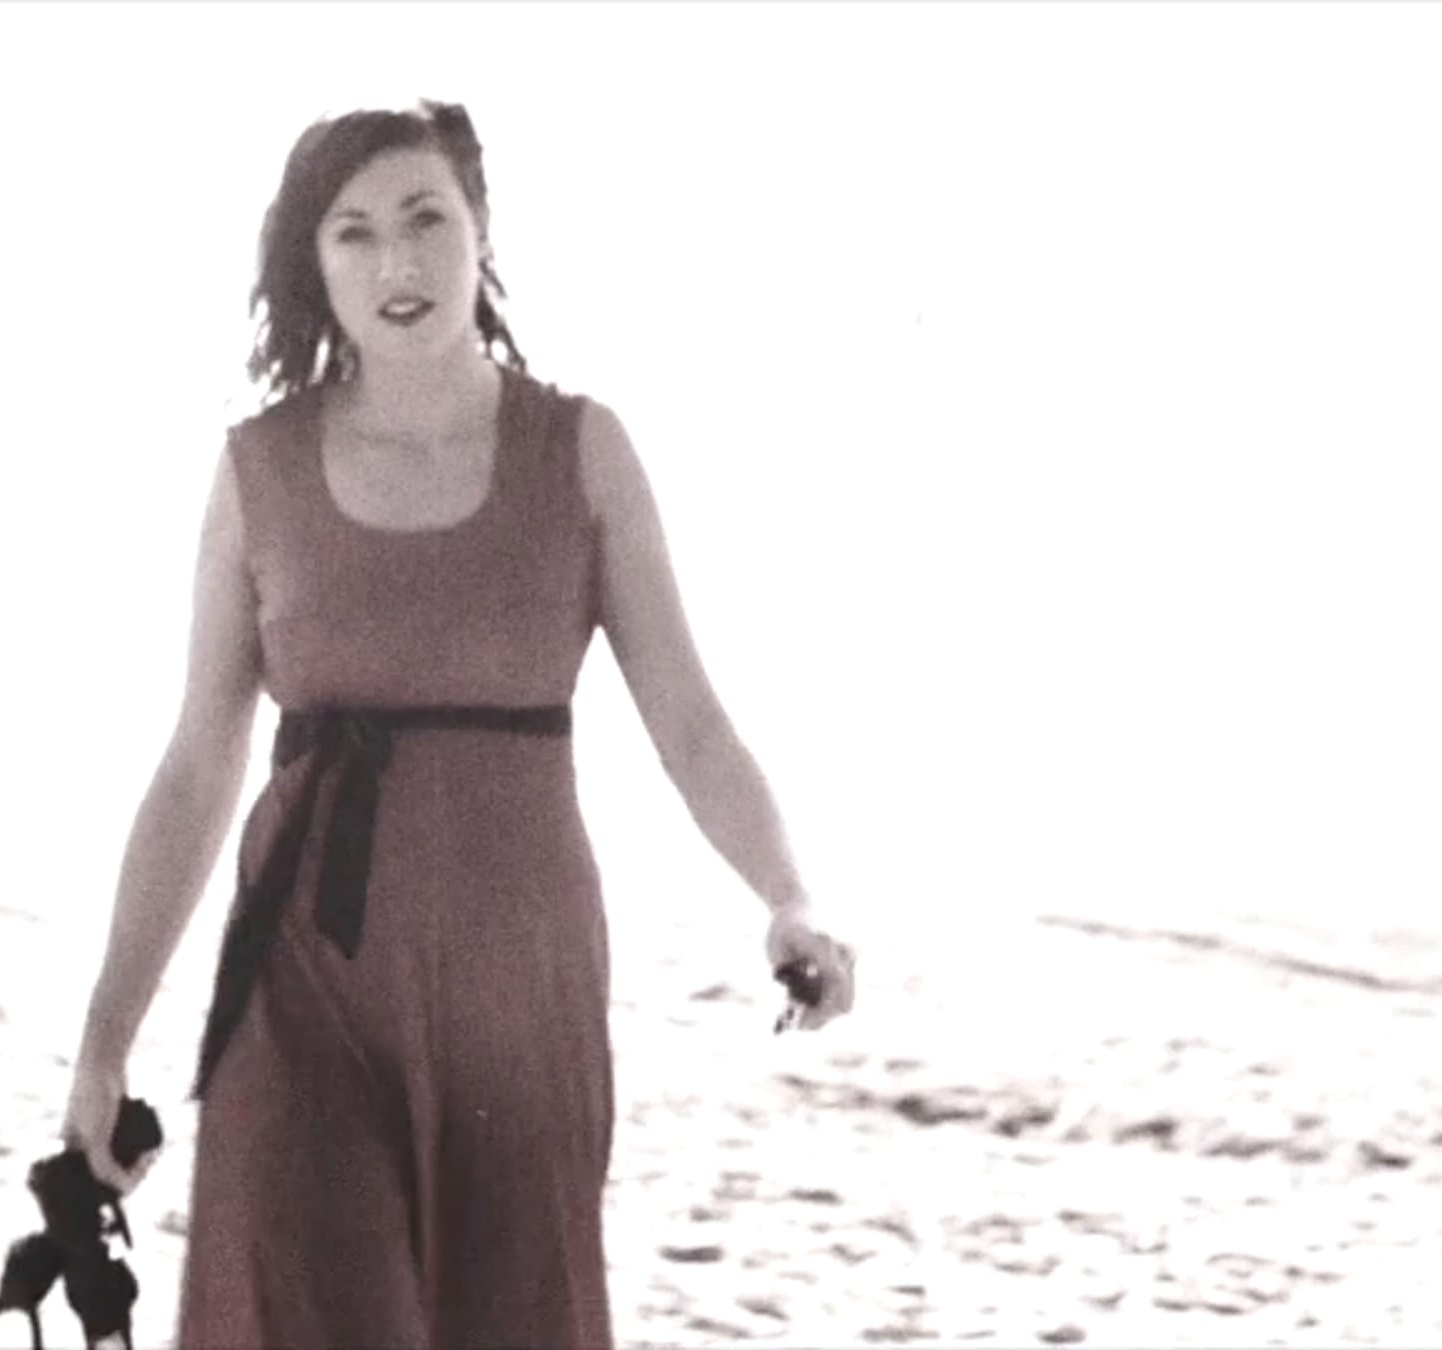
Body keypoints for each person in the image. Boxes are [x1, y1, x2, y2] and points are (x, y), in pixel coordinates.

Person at [57, 98, 857, 1349]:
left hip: (520, 991)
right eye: (356, 232)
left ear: (481, 227)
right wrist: (105, 1042)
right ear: (315, 265)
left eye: (427, 218)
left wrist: (788, 895)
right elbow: (197, 767)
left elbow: (692, 723)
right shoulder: (259, 470)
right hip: (303, 985)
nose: (399, 261)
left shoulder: (580, 451)